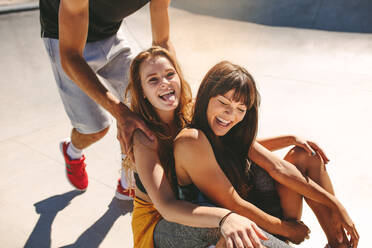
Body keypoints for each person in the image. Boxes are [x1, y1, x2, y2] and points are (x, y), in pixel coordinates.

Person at [173, 61, 359, 248]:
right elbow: (234, 204)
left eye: (241, 109)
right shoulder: (192, 139)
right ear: (206, 97)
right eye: (223, 102)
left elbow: (276, 166)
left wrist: (335, 204)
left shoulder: (229, 131)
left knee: (306, 156)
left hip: (256, 209)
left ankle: (339, 244)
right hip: (228, 230)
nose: (230, 114)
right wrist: (287, 230)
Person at [121, 46, 291, 248]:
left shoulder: (190, 110)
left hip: (193, 207)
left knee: (234, 224)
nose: (165, 83)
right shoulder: (144, 139)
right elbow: (167, 207)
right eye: (153, 80)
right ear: (142, 92)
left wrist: (289, 139)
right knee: (222, 224)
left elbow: (236, 146)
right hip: (158, 225)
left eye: (169, 74)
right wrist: (225, 217)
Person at [39, 0, 171, 197]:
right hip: (64, 38)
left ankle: (129, 179)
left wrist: (174, 82)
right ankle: (72, 150)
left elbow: (162, 40)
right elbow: (71, 57)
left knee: (144, 104)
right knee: (95, 128)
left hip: (110, 32)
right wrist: (119, 111)